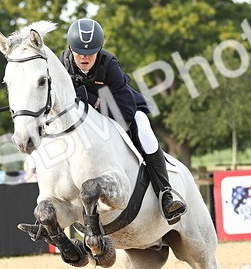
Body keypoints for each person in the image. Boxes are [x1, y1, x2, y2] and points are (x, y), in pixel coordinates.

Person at [59, 18, 186, 221]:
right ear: (70, 49)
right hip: (86, 121)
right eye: (79, 53)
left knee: (144, 131)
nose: (84, 58)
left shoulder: (109, 65)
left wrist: (93, 101)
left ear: (98, 51)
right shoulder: (63, 64)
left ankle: (166, 195)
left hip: (124, 110)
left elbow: (125, 112)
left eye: (90, 53)